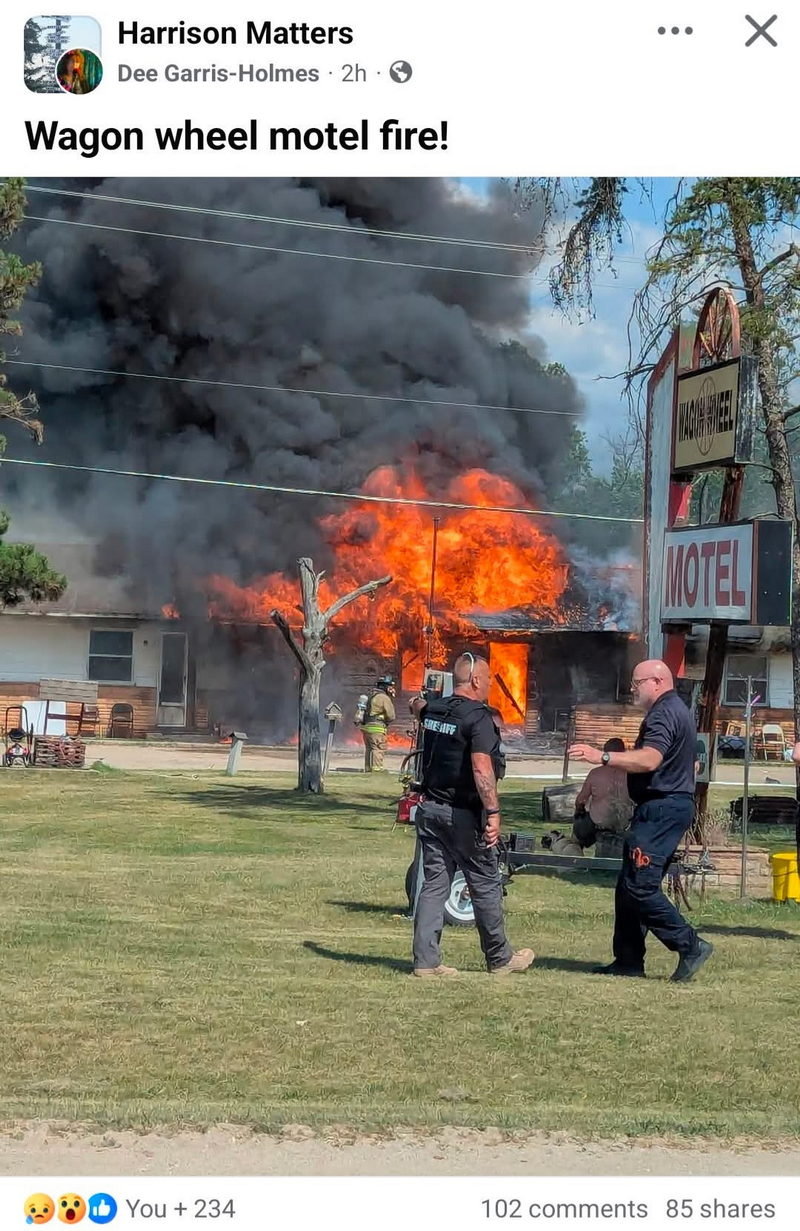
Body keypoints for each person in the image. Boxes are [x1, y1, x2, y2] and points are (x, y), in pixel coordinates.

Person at [569, 659, 713, 982]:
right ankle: (628, 960)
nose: (632, 689)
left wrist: (602, 756)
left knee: (640, 887)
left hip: (661, 809)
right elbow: (686, 763)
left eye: (637, 683)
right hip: (663, 807)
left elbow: (650, 759)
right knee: (628, 886)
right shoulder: (676, 710)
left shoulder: (664, 713)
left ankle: (690, 945)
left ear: (657, 682)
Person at [409, 651, 534, 977]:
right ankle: (500, 959)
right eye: (489, 678)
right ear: (476, 680)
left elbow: (418, 707)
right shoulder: (479, 718)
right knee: (485, 882)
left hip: (430, 809)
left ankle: (426, 962)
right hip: (463, 814)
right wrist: (493, 811)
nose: (491, 684)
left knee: (434, 885)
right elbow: (481, 769)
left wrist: (417, 703)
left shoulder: (435, 709)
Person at [573, 737, 634, 844]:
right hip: (625, 822)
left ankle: (576, 850)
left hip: (599, 824)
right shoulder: (631, 774)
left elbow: (581, 800)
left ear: (605, 753)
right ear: (623, 753)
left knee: (578, 828)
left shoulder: (595, 773)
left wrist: (579, 810)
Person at [361, 675, 396, 772]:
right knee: (378, 748)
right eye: (390, 686)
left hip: (366, 727)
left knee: (370, 749)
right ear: (386, 687)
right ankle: (377, 770)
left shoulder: (370, 695)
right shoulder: (384, 698)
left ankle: (368, 769)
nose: (392, 689)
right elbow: (391, 716)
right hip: (377, 728)